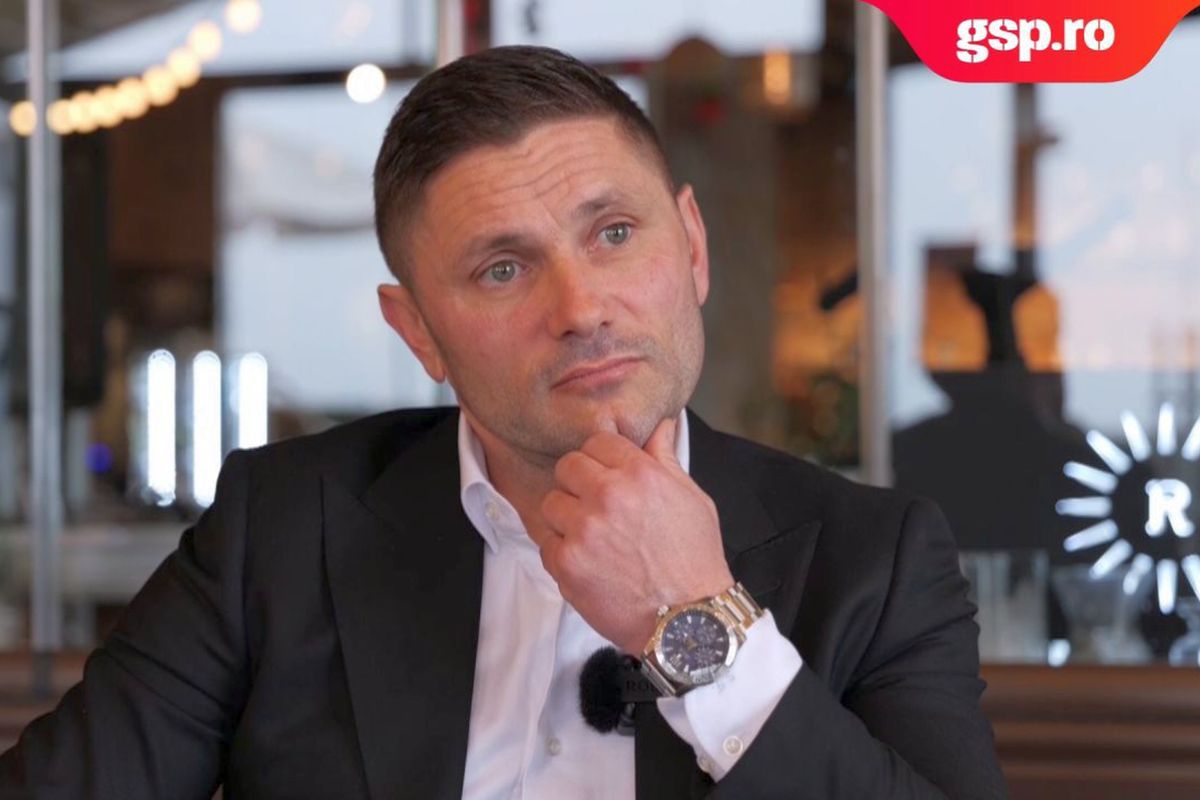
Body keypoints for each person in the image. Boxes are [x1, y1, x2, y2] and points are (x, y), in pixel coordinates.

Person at [0, 46, 1006, 799]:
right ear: (419, 331)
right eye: (503, 268)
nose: (582, 307)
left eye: (615, 232)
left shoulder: (875, 560)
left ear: (693, 248)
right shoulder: (284, 527)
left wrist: (699, 624)